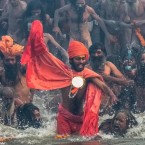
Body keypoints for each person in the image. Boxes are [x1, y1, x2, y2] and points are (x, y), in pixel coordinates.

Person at [21, 20, 118, 137]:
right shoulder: (63, 73)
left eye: (83, 58)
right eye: (78, 59)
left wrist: (111, 94)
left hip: (80, 117)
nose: (81, 61)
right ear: (71, 59)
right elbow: (48, 58)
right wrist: (38, 42)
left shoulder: (87, 74)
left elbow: (102, 85)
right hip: (65, 117)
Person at [88, 43, 134, 114]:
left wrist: (108, 77)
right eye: (93, 53)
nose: (96, 55)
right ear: (90, 55)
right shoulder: (87, 68)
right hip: (92, 105)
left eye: (98, 52)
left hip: (109, 104)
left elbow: (126, 82)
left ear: (104, 54)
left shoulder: (108, 65)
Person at [0, 35, 34, 112]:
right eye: (7, 60)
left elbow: (32, 80)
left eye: (12, 60)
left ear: (16, 60)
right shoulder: (2, 73)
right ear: (3, 61)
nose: (10, 63)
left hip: (25, 108)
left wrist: (32, 96)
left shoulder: (23, 70)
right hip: (8, 110)